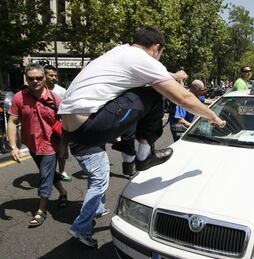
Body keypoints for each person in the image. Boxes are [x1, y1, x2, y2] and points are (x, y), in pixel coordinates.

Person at [58, 27, 225, 247]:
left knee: (149, 90)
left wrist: (173, 76)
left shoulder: (117, 52)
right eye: (161, 54)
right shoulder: (143, 59)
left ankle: (135, 153)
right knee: (157, 93)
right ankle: (144, 155)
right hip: (92, 127)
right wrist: (212, 116)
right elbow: (183, 97)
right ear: (157, 48)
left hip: (73, 131)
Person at [7, 63, 68, 228]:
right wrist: (13, 146)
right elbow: (12, 121)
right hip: (31, 143)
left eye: (38, 78)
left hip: (50, 143)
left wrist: (63, 146)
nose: (35, 81)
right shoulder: (19, 97)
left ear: (44, 78)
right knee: (46, 172)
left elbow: (66, 123)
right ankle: (63, 192)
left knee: (44, 176)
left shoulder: (56, 99)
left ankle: (41, 210)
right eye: (31, 78)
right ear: (26, 79)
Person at [44, 65, 71, 181]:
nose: (54, 77)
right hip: (44, 126)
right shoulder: (39, 90)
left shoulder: (61, 91)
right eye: (51, 75)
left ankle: (62, 171)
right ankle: (49, 172)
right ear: (44, 75)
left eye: (55, 75)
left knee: (62, 149)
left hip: (58, 125)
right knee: (47, 151)